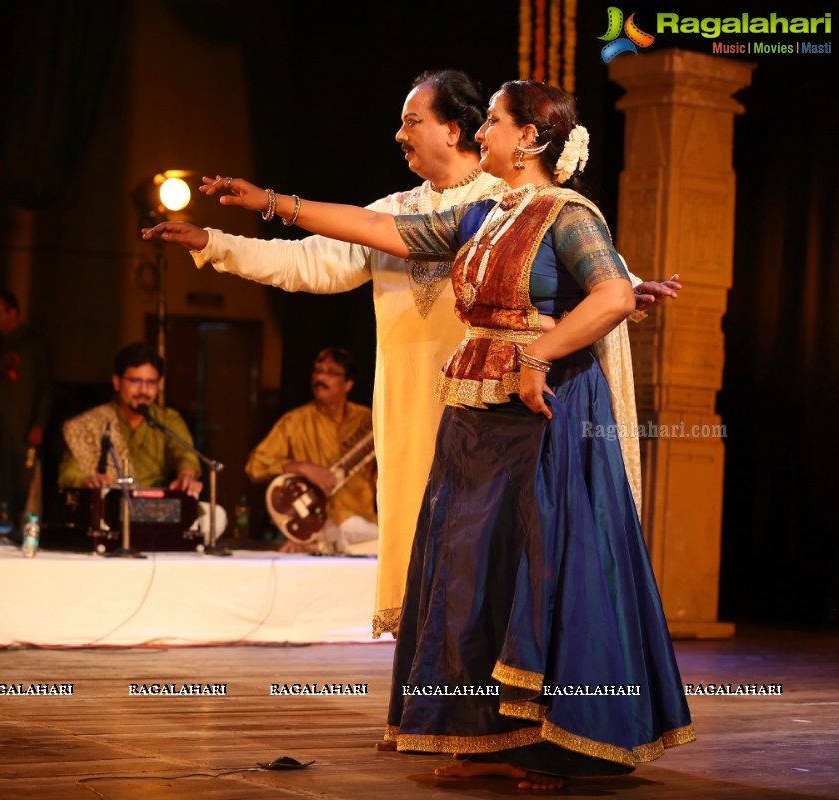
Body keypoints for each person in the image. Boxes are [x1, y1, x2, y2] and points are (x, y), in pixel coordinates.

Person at [148, 80, 693, 789]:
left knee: (534, 577)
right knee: (469, 580)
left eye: (493, 121)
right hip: (470, 422)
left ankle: (557, 744)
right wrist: (269, 204)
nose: (482, 132)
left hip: (534, 422)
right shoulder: (482, 216)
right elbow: (373, 233)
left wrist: (549, 345)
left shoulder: (560, 210)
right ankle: (479, 739)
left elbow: (600, 284)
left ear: (524, 137)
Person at [246, 347, 377, 554]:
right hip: (319, 523)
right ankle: (325, 545)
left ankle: (324, 547)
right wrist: (301, 467)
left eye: (331, 372)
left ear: (348, 384)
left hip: (363, 525)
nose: (320, 377)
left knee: (390, 541)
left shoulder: (369, 421)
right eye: (317, 371)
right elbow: (255, 466)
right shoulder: (294, 422)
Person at [58, 342, 202, 497]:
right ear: (117, 382)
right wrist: (87, 481)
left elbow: (185, 455)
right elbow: (67, 473)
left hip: (156, 507)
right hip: (107, 508)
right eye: (135, 381)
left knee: (215, 514)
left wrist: (186, 475)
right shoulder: (92, 423)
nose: (144, 390)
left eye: (151, 382)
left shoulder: (167, 419)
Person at [0, 291, 53, 528]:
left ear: (12, 313)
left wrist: (39, 423)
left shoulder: (32, 344)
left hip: (23, 424)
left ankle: (23, 525)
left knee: (21, 475)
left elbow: (45, 387)